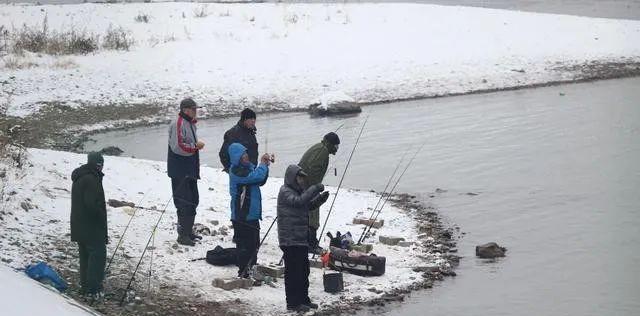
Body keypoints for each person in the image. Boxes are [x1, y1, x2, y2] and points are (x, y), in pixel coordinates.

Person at [277, 164, 330, 312]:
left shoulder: (297, 192)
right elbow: (298, 202)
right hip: (289, 239)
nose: (301, 181)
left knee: (303, 271)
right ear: (292, 177)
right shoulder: (285, 191)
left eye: (302, 178)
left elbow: (305, 206)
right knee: (293, 273)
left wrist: (320, 200)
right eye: (299, 178)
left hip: (300, 239)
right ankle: (293, 303)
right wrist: (314, 189)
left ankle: (303, 300)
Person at [227, 142, 271, 277]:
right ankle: (244, 271)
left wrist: (265, 166)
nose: (246, 156)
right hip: (242, 215)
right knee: (244, 245)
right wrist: (262, 165)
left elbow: (260, 180)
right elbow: (255, 177)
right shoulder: (236, 171)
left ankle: (251, 268)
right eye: (243, 155)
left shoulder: (248, 168)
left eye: (246, 154)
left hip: (252, 214)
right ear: (236, 157)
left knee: (254, 243)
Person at [70, 152, 108, 300]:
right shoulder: (91, 179)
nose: (102, 167)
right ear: (97, 164)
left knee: (85, 256)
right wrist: (101, 216)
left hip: (80, 225)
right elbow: (91, 204)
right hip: (91, 226)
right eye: (100, 164)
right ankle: (93, 289)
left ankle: (85, 286)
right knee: (98, 255)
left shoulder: (81, 176)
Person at [167, 98, 205, 246]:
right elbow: (178, 147)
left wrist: (194, 147)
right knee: (183, 202)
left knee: (193, 200)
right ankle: (182, 235)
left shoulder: (189, 123)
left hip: (189, 169)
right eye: (194, 109)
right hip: (180, 170)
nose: (196, 112)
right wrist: (195, 146)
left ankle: (188, 231)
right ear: (186, 110)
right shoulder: (178, 123)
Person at [298, 132, 340, 253]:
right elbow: (311, 170)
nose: (336, 149)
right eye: (336, 146)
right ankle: (310, 244)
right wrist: (315, 187)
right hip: (309, 188)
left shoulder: (319, 148)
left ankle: (309, 242)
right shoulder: (322, 152)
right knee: (312, 217)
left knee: (309, 215)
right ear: (331, 144)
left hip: (306, 186)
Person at [219, 108, 259, 172]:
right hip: (239, 173)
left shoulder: (251, 132)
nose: (253, 121)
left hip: (251, 171)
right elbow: (223, 154)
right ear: (245, 120)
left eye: (254, 119)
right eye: (251, 119)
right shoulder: (232, 133)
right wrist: (233, 171)